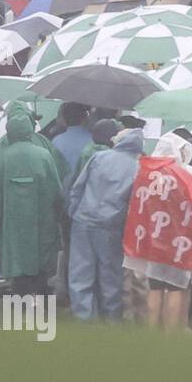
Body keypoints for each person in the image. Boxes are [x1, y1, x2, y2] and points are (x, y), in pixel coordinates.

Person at [124, 132, 192, 331]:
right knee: (176, 287)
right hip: (179, 242)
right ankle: (170, 334)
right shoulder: (187, 173)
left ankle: (151, 333)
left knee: (155, 287)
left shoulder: (145, 172)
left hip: (152, 239)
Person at [0, 101, 62, 294]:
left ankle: (21, 302)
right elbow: (57, 190)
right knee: (41, 263)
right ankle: (43, 305)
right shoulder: (44, 151)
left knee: (18, 264)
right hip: (42, 222)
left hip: (11, 226)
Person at [67, 126, 142, 321]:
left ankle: (83, 320)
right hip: (111, 227)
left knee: (80, 275)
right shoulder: (137, 167)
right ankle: (111, 321)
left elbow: (78, 187)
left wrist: (73, 212)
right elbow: (133, 203)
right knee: (110, 277)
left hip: (83, 222)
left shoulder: (99, 157)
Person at [51, 102, 92, 181]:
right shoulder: (92, 140)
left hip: (63, 188)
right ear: (84, 118)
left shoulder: (57, 141)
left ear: (64, 118)